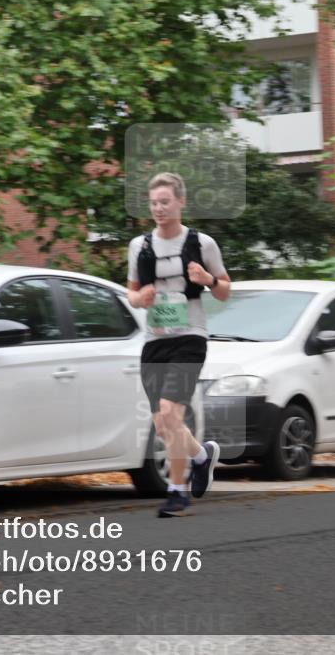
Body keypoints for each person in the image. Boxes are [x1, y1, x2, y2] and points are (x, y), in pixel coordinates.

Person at [126, 172, 231, 517]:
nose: (158, 208)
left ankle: (177, 491)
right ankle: (201, 457)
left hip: (190, 337)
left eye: (165, 201)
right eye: (154, 202)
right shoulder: (139, 246)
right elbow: (132, 293)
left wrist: (209, 279)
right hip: (155, 341)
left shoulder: (202, 243)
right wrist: (139, 298)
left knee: (172, 413)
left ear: (181, 202)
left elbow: (225, 290)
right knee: (162, 424)